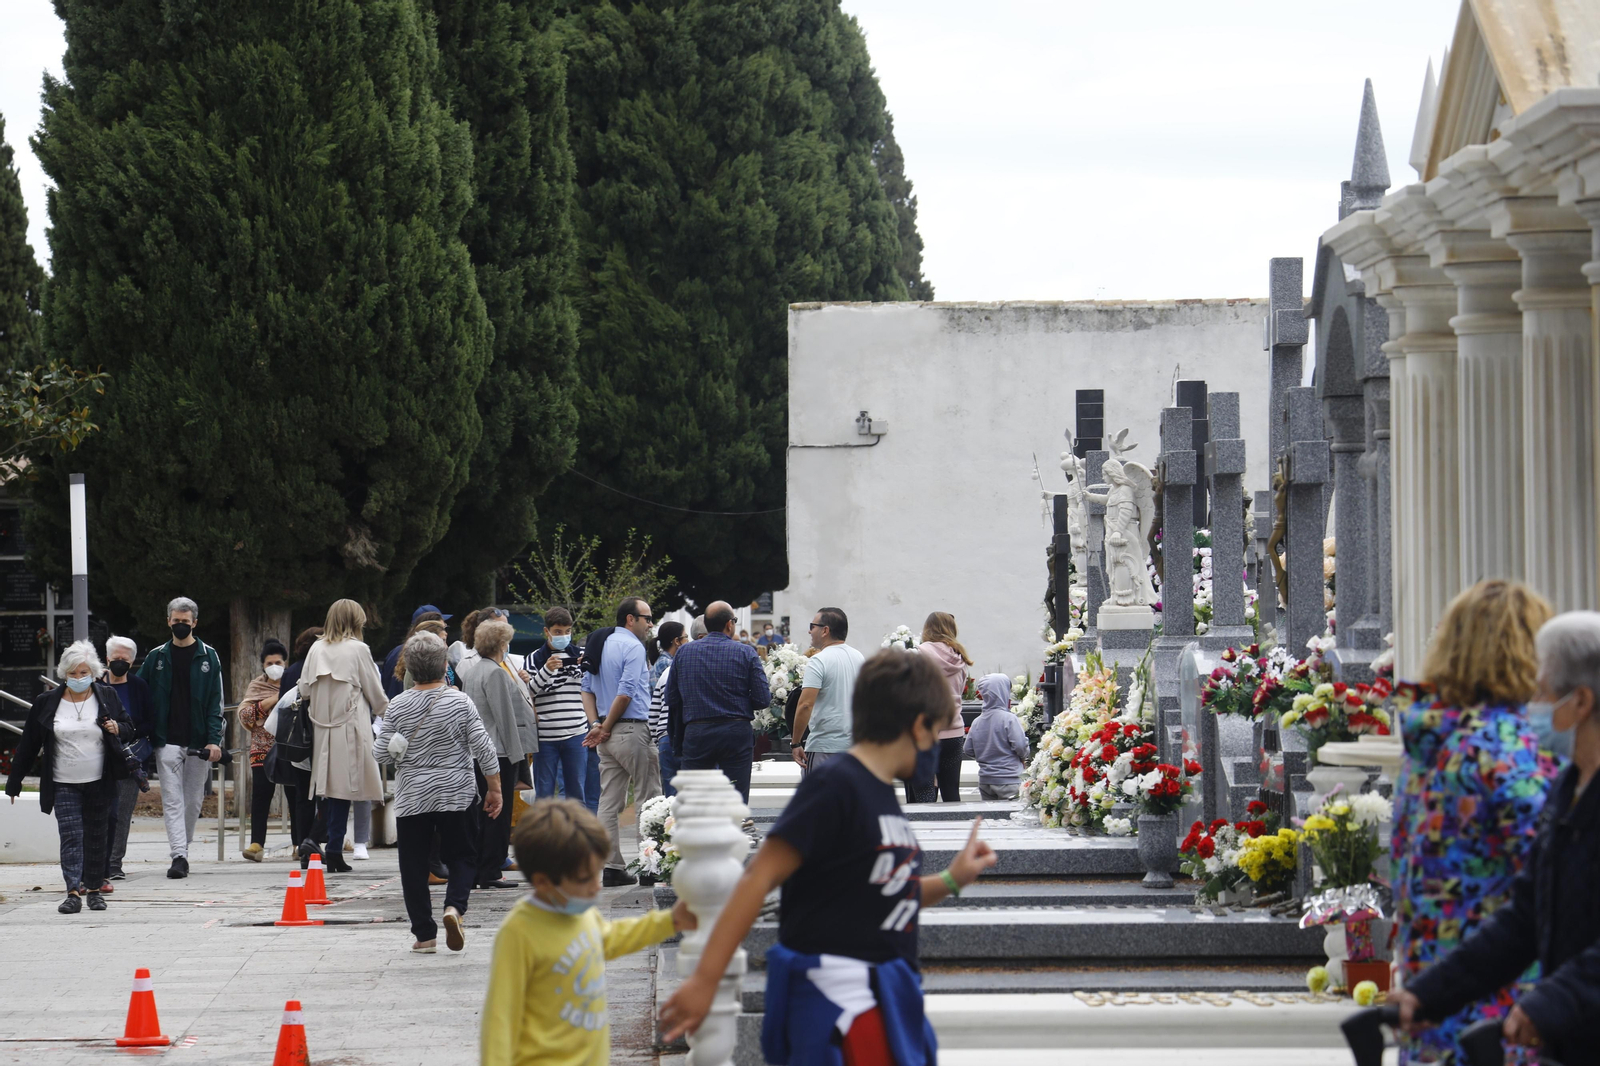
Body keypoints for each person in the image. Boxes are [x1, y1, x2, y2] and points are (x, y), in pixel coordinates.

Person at [659, 651, 997, 1058]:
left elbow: (886, 894)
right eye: (937, 731)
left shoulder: (880, 793)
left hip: (883, 998)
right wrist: (705, 980)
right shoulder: (834, 786)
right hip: (836, 1005)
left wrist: (952, 879)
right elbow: (757, 879)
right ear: (917, 724)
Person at [1395, 608, 1600, 1065]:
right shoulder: (1565, 792)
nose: (1533, 705)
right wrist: (1432, 993)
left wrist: (1551, 1001)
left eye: (1543, 691)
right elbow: (1525, 918)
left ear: (1581, 702)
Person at [480, 798, 697, 1065]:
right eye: (584, 880)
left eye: (596, 875)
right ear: (542, 882)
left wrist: (669, 921)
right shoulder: (519, 932)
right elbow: (500, 1015)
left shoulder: (582, 914)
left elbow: (611, 938)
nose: (596, 888)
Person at [374, 632, 502, 954]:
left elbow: (380, 754)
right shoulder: (460, 701)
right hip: (456, 794)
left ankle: (424, 935)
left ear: (411, 670)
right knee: (462, 855)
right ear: (445, 665)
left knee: (413, 865)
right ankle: (454, 908)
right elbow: (484, 748)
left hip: (413, 797)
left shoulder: (398, 706)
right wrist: (495, 788)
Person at [6, 640, 136, 913]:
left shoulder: (106, 696)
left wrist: (117, 727)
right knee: (71, 836)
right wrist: (14, 783)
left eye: (84, 673)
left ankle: (94, 891)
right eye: (73, 673)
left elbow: (129, 727)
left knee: (97, 836)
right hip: (63, 782)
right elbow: (29, 744)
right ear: (64, 674)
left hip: (99, 780)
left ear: (94, 672)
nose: (78, 678)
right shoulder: (46, 703)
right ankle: (73, 891)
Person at [298, 599, 388, 874]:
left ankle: (330, 846)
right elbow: (377, 695)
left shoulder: (315, 648)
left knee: (331, 791)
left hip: (322, 728)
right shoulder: (359, 649)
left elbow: (303, 690)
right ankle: (333, 848)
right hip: (351, 727)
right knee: (346, 790)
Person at [139, 596, 224, 880]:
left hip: (199, 742)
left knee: (193, 800)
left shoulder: (209, 656)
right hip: (167, 740)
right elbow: (140, 692)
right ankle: (179, 856)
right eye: (176, 622)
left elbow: (216, 702)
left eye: (185, 622)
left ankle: (182, 849)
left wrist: (215, 740)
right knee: (173, 799)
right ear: (168, 621)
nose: (180, 626)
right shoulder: (156, 657)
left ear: (194, 623)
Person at [582, 597, 661, 887]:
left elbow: (587, 689)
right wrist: (605, 726)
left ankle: (612, 866)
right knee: (648, 798)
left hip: (607, 731)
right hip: (630, 729)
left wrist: (597, 725)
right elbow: (626, 693)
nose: (650, 624)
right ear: (630, 619)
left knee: (609, 801)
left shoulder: (600, 644)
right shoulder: (632, 646)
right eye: (647, 618)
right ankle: (650, 866)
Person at [665, 601, 770, 803]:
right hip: (735, 732)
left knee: (695, 800)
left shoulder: (684, 653)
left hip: (697, 732)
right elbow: (762, 699)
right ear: (730, 624)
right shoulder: (746, 652)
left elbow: (671, 698)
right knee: (736, 799)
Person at [461, 618, 534, 890]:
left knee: (482, 813)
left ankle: (481, 868)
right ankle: (491, 870)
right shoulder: (496, 673)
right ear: (501, 644)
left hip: (476, 752)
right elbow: (506, 718)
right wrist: (519, 757)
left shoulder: (472, 672)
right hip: (499, 752)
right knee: (498, 815)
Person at [789, 607, 863, 777]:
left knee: (820, 802)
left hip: (824, 746)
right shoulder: (859, 657)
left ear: (825, 630)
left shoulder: (819, 660)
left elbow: (806, 704)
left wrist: (795, 743)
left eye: (812, 626)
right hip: (854, 747)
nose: (809, 631)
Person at [529, 607, 592, 806]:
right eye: (558, 632)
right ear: (547, 631)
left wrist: (586, 666)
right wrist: (546, 670)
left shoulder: (582, 654)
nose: (563, 636)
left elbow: (591, 687)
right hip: (545, 736)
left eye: (567, 631)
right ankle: (546, 836)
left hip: (576, 733)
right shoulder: (534, 658)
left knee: (576, 791)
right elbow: (529, 692)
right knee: (544, 793)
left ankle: (574, 834)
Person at [103, 635, 153, 882]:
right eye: (116, 658)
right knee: (99, 811)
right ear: (107, 659)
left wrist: (125, 730)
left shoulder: (139, 686)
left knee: (122, 813)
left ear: (132, 662)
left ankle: (114, 863)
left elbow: (148, 722)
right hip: (100, 758)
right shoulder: (95, 684)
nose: (120, 662)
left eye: (125, 659)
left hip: (129, 758)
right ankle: (96, 861)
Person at [238, 639, 289, 862]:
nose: (274, 666)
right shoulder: (256, 686)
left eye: (278, 662)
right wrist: (272, 701)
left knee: (295, 795)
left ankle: (299, 843)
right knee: (261, 795)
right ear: (263, 665)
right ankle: (257, 843)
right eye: (270, 662)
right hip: (262, 749)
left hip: (290, 748)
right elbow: (246, 715)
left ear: (285, 663)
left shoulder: (295, 683)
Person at [917, 612, 971, 803]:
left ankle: (928, 832)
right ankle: (956, 831)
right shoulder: (960, 657)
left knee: (924, 792)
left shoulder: (918, 654)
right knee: (951, 791)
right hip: (954, 732)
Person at [965, 674, 1029, 799]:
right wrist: (1024, 756)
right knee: (1012, 815)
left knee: (990, 816)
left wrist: (985, 757)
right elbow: (1021, 746)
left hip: (986, 780)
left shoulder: (977, 721)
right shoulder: (1009, 719)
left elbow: (968, 749)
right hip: (1010, 779)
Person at [649, 621, 688, 798]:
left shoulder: (663, 664)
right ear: (677, 641)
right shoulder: (670, 666)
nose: (689, 641)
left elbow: (654, 711)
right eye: (686, 637)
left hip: (664, 736)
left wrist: (659, 739)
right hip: (677, 733)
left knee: (671, 798)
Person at [382, 605, 450, 699]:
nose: (444, 630)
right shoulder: (423, 657)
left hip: (394, 707)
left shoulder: (394, 652)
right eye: (440, 626)